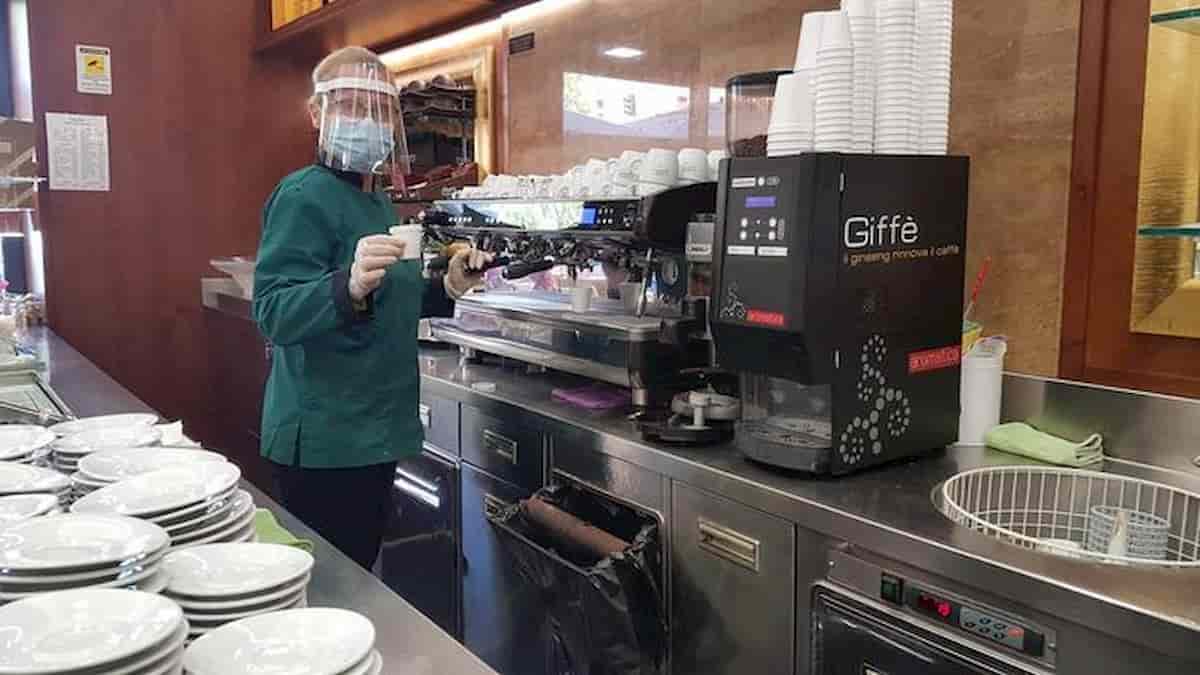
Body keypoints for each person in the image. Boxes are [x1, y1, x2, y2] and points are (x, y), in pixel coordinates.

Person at [252, 46, 489, 569]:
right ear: (317, 114)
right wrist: (347, 286)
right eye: (350, 106)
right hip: (325, 441)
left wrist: (445, 287)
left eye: (377, 110)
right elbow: (273, 310)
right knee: (333, 586)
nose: (365, 121)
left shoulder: (377, 200)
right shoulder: (302, 196)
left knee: (360, 574)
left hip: (375, 432)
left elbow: (388, 296)